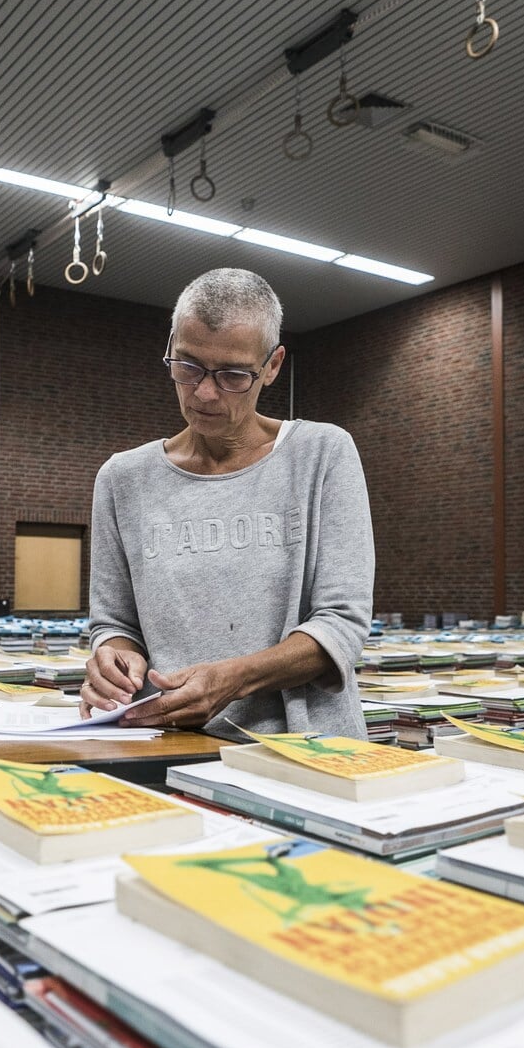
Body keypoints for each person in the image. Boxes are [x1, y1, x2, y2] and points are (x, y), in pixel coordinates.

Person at [82, 268, 374, 740]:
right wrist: (114, 659)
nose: (204, 392)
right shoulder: (123, 479)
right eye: (188, 366)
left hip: (305, 747)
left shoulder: (321, 454)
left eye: (233, 375)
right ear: (172, 345)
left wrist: (231, 682)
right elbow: (114, 622)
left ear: (273, 365)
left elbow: (341, 624)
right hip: (165, 741)